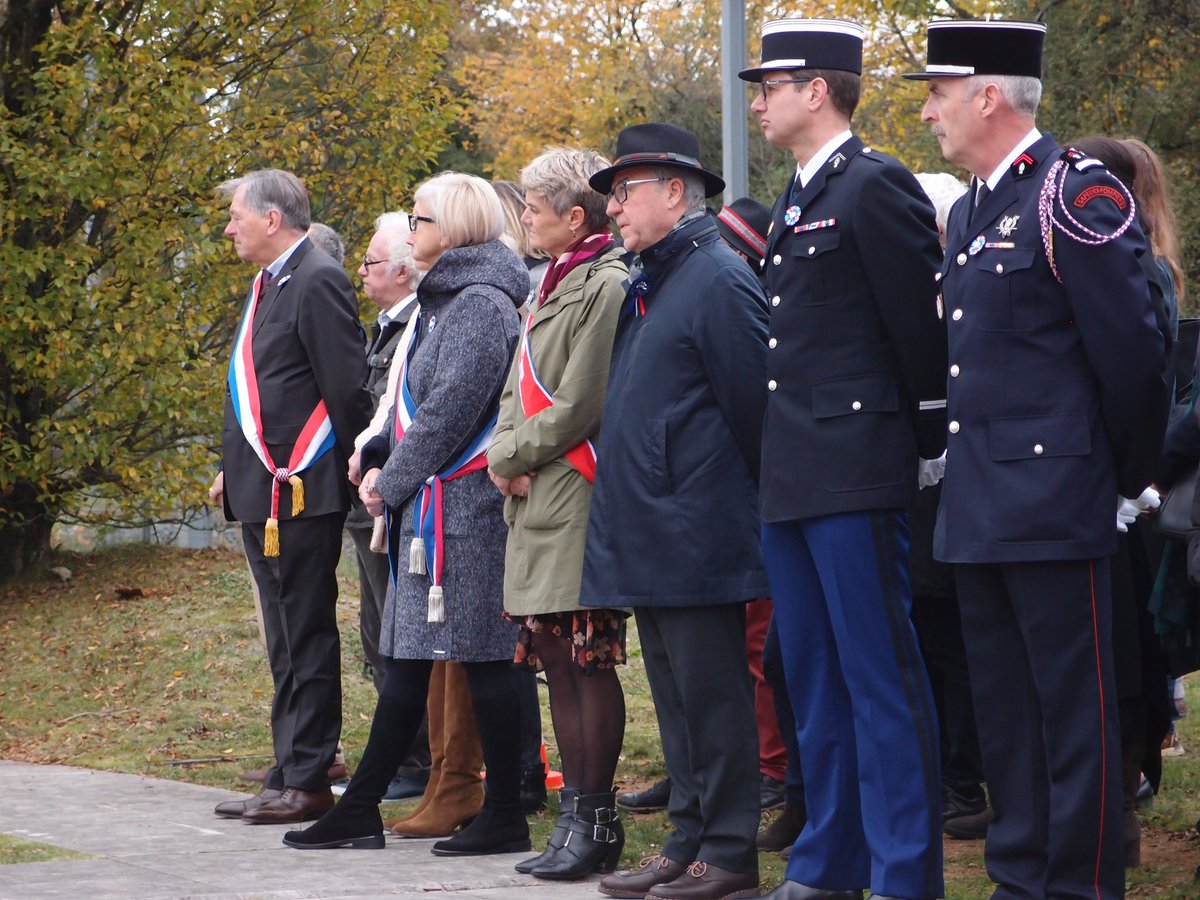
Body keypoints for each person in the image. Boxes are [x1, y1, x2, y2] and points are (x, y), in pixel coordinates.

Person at [909, 18, 1169, 898]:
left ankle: (1079, 885)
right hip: (981, 503)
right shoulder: (974, 207)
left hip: (1057, 503)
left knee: (1072, 717)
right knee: (1006, 717)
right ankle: (1019, 878)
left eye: (938, 94)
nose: (928, 113)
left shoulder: (1073, 193)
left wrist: (1115, 480)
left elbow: (1133, 361)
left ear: (989, 96)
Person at [742, 18, 948, 900]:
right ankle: (830, 862)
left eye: (770, 87)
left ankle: (904, 874)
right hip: (795, 468)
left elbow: (919, 333)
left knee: (878, 676)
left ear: (816, 90)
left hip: (858, 466)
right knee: (814, 678)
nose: (758, 104)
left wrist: (927, 445)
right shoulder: (796, 193)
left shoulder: (873, 184)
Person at [281, 172, 531, 856]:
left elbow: (451, 411)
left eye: (419, 220)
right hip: (434, 508)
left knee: (483, 662)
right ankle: (362, 806)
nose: (411, 230)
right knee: (408, 661)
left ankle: (504, 812)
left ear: (453, 228)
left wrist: (390, 482)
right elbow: (413, 403)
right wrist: (381, 452)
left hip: (466, 512)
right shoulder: (447, 300)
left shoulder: (479, 304)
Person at [581, 122, 768, 900]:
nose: (613, 208)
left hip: (697, 532)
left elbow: (756, 411)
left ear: (672, 191)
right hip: (654, 529)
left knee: (714, 701)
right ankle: (688, 841)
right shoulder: (654, 278)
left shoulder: (717, 278)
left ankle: (728, 853)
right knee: (679, 702)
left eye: (624, 192)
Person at [210, 169, 373, 824]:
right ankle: (288, 766)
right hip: (262, 485)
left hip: (301, 486)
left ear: (272, 219)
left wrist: (360, 469)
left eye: (237, 216)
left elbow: (345, 388)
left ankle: (309, 779)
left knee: (305, 631)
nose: (230, 229)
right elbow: (264, 387)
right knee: (282, 636)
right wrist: (234, 466)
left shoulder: (317, 279)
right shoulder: (270, 281)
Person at [485, 146, 630, 880]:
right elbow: (519, 388)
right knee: (553, 657)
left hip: (576, 491)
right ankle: (574, 814)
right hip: (538, 492)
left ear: (575, 217)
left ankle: (596, 817)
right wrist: (505, 451)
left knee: (585, 660)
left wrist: (510, 454)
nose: (527, 221)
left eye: (536, 210)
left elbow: (582, 401)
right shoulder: (554, 279)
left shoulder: (605, 283)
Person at [909, 172, 992, 843]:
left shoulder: (955, 292)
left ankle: (962, 782)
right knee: (931, 636)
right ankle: (942, 775)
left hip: (954, 491)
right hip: (921, 495)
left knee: (953, 641)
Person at [342, 212, 429, 802]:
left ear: (402, 271)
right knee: (375, 633)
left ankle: (416, 759)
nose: (362, 270)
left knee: (398, 637)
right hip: (368, 501)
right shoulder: (387, 328)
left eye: (372, 261)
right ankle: (404, 757)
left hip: (395, 501)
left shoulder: (414, 328)